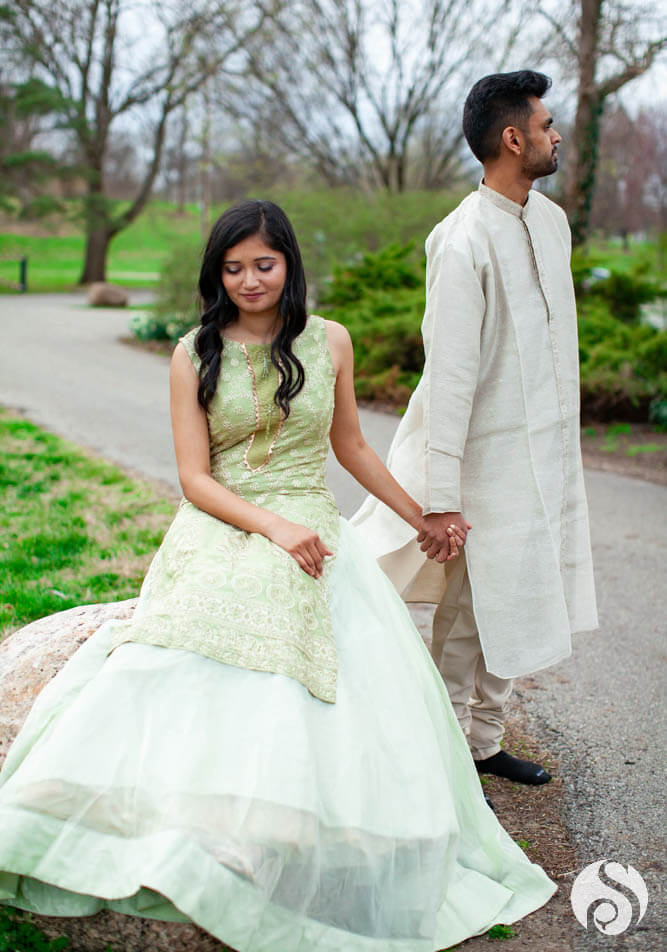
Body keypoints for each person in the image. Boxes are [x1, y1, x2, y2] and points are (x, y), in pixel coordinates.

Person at [0, 200, 556, 951]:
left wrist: (422, 514)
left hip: (312, 519)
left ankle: (289, 832)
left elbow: (354, 447)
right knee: (203, 629)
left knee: (312, 626)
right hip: (225, 517)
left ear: (289, 264)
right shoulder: (193, 351)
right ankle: (176, 826)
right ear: (216, 273)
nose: (248, 280)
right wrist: (271, 527)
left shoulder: (329, 341)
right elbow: (194, 478)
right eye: (232, 268)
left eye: (263, 264)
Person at [353, 71, 598, 787]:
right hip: (482, 465)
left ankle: (486, 742)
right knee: (465, 615)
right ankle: (448, 753)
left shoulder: (549, 223)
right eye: (547, 125)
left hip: (546, 454)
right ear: (512, 137)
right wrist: (443, 494)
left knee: (522, 598)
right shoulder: (459, 241)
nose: (556, 136)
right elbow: (451, 376)